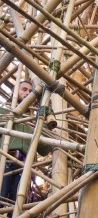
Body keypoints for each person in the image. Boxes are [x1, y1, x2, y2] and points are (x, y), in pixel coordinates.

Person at [0, 80, 51, 217]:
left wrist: (45, 121)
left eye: (30, 91)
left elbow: (45, 150)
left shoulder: (35, 121)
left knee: (15, 208)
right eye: (24, 89)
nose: (28, 93)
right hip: (5, 162)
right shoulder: (4, 111)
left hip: (25, 167)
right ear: (15, 92)